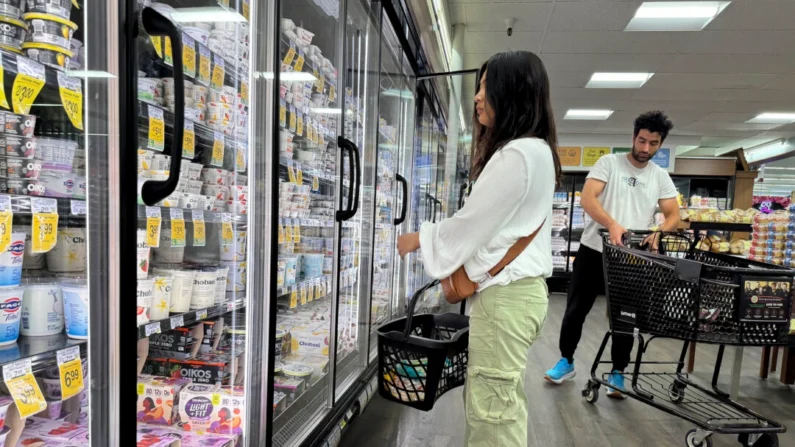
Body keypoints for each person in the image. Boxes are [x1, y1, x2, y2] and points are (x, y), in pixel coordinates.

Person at [397, 50, 560, 447]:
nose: (477, 98)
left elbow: (471, 225)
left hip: (505, 301)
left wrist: (420, 237)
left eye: (487, 87)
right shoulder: (536, 151)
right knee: (497, 403)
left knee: (492, 414)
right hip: (516, 298)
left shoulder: (518, 154)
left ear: (513, 92)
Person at [544, 111, 681, 398]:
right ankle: (566, 361)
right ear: (633, 137)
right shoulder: (609, 163)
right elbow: (588, 198)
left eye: (653, 143)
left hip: (631, 259)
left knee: (624, 318)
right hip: (594, 249)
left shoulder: (660, 177)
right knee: (575, 311)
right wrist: (612, 223)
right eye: (642, 141)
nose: (645, 149)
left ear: (660, 144)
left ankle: (618, 372)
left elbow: (673, 214)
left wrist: (659, 232)